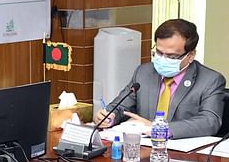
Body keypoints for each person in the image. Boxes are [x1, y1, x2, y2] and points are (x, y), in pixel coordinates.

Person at [96, 19, 226, 138]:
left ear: (191, 55)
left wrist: (161, 129)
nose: (163, 59)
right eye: (158, 52)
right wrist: (110, 116)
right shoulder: (144, 72)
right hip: (143, 148)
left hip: (182, 154)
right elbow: (122, 105)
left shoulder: (210, 80)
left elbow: (210, 122)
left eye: (171, 56)